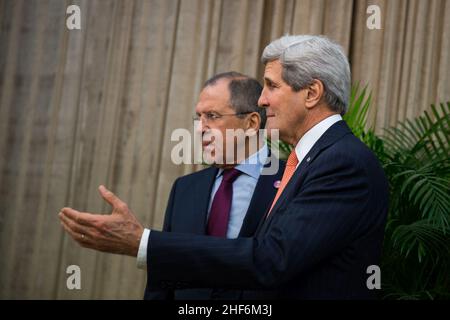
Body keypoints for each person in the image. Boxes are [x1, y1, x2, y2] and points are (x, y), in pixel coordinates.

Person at [60, 35, 389, 299]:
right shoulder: (309, 159)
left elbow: (270, 260)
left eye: (272, 86)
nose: (262, 99)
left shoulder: (342, 163)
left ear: (312, 93)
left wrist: (143, 242)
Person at [60, 71, 285, 300]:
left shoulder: (292, 179)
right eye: (198, 117)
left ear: (251, 123)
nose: (200, 128)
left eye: (212, 116)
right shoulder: (185, 189)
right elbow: (163, 280)